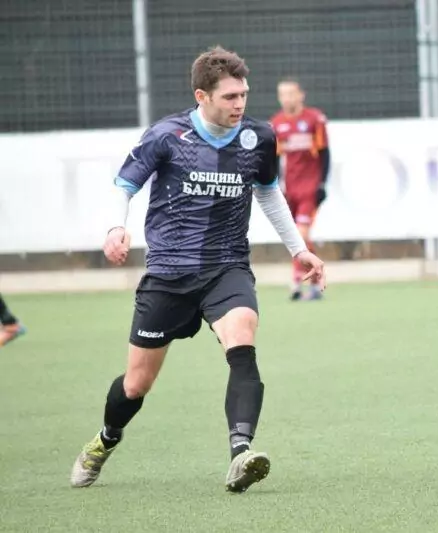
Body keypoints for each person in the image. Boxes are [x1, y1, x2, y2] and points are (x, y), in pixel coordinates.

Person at [69, 46, 326, 494]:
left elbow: (268, 192)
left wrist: (298, 249)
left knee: (243, 339)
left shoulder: (259, 137)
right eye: (229, 97)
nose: (240, 104)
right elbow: (125, 185)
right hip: (168, 275)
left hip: (226, 268)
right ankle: (106, 439)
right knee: (137, 384)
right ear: (201, 96)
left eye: (243, 95)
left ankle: (241, 453)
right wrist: (116, 227)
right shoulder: (167, 136)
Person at [270, 78, 330, 301]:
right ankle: (315, 282)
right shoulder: (276, 123)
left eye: (291, 94)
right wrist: (275, 186)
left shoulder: (314, 119)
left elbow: (325, 153)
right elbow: (275, 159)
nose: (287, 99)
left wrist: (322, 184)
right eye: (282, 94)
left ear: (300, 95)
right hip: (289, 190)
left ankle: (296, 281)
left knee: (301, 235)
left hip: (309, 189)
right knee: (296, 237)